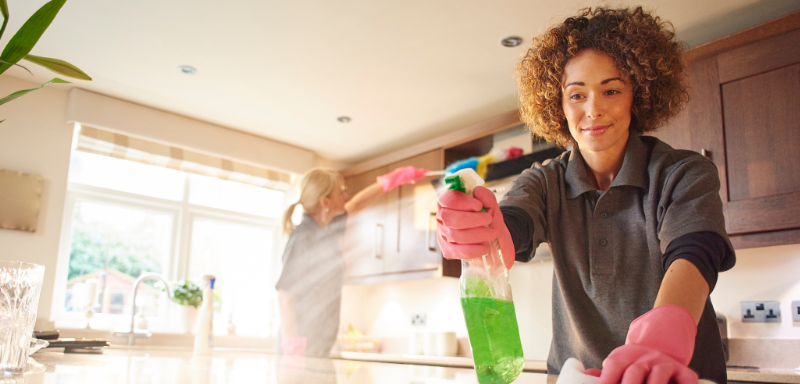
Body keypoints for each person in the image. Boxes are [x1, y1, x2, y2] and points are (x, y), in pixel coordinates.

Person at [436, 7, 735, 384]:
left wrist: (664, 332)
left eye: (611, 90)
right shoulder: (544, 182)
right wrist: (482, 232)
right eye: (576, 95)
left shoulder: (683, 172)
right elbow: (513, 224)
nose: (593, 109)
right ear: (558, 105)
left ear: (637, 95)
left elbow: (696, 253)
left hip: (673, 375)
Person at [275, 166, 427, 358]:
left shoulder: (326, 231)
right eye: (340, 192)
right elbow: (285, 297)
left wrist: (390, 181)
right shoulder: (303, 239)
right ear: (325, 203)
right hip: (299, 351)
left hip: (318, 347)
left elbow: (356, 205)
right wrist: (293, 352)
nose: (346, 196)